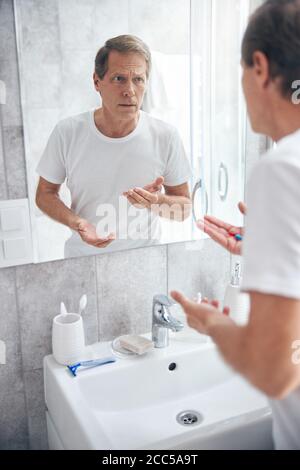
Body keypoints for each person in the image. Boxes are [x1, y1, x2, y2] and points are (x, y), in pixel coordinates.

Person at [171, 0, 300, 450]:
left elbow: (272, 370)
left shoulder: (282, 166)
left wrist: (212, 326)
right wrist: (267, 251)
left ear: (260, 68)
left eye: (242, 70)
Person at [35, 35, 191, 258]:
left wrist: (157, 202)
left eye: (138, 79)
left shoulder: (166, 136)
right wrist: (77, 222)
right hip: (83, 259)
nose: (130, 90)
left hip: (146, 261)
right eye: (119, 78)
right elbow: (45, 194)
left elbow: (184, 208)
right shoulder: (67, 132)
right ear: (97, 82)